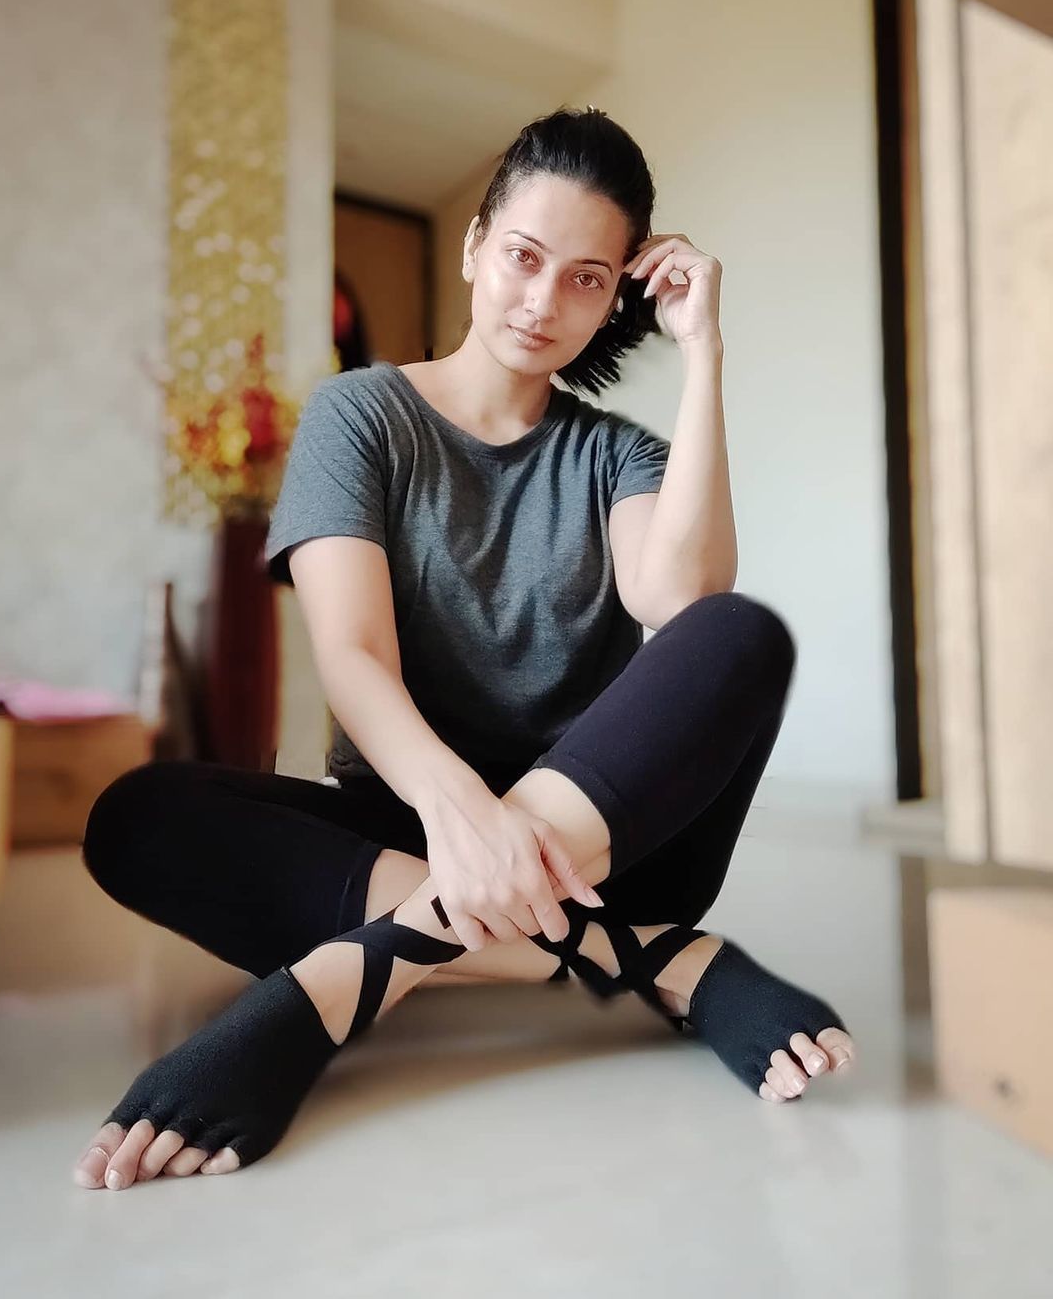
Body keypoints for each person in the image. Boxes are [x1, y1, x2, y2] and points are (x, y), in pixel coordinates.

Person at [71, 106, 855, 1192]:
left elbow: (680, 597)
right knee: (135, 815)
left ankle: (342, 983)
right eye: (525, 256)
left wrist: (704, 350)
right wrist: (463, 817)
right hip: (419, 822)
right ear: (477, 244)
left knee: (739, 632)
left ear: (617, 297)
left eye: (586, 278)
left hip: (608, 847)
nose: (542, 300)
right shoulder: (359, 416)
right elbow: (352, 652)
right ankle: (662, 959)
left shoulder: (618, 456)